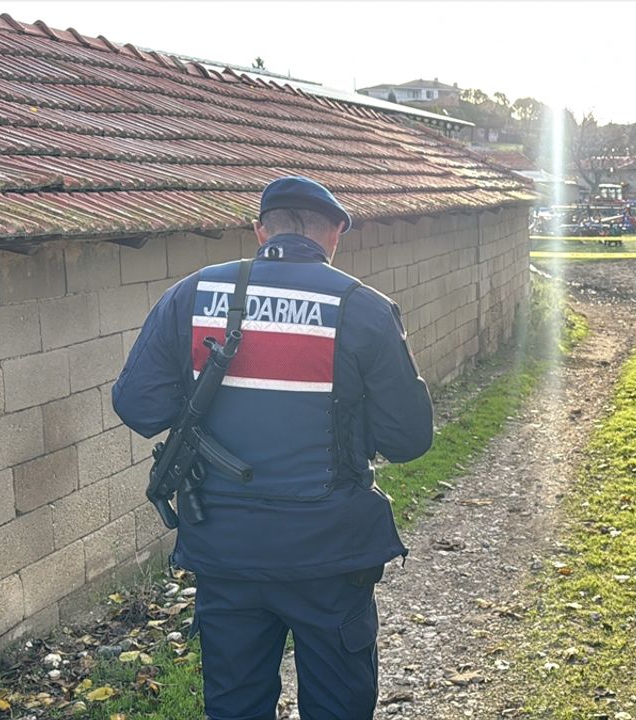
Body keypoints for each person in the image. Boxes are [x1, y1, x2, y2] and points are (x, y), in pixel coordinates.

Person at [113, 176, 433, 720]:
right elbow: (408, 440)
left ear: (261, 231)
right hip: (329, 556)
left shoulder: (190, 295)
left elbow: (139, 408)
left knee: (236, 706)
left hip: (224, 550)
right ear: (335, 234)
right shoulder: (363, 307)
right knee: (338, 706)